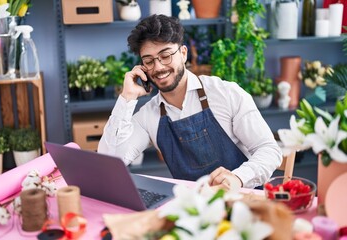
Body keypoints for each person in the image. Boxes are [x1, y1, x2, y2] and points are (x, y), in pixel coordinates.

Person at [98, 14, 282, 189]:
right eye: (149, 61)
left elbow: (269, 150)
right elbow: (110, 161)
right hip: (193, 212)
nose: (159, 67)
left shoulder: (226, 93)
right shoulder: (148, 115)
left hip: (244, 204)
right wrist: (126, 98)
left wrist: (238, 178)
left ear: (183, 53)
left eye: (166, 55)